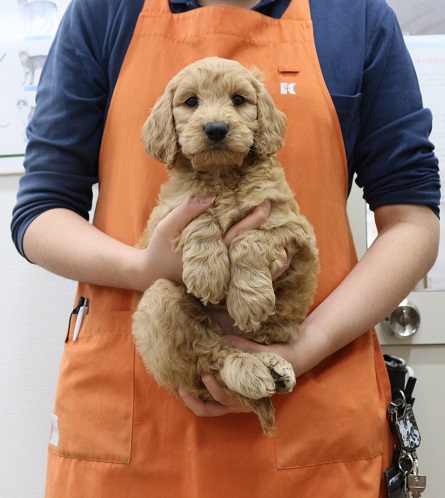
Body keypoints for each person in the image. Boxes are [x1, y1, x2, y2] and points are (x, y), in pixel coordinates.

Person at [11, 0, 440, 496]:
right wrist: (144, 267)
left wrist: (304, 347)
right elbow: (40, 211)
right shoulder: (104, 12)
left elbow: (413, 221)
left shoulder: (355, 17)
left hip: (309, 402)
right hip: (136, 408)